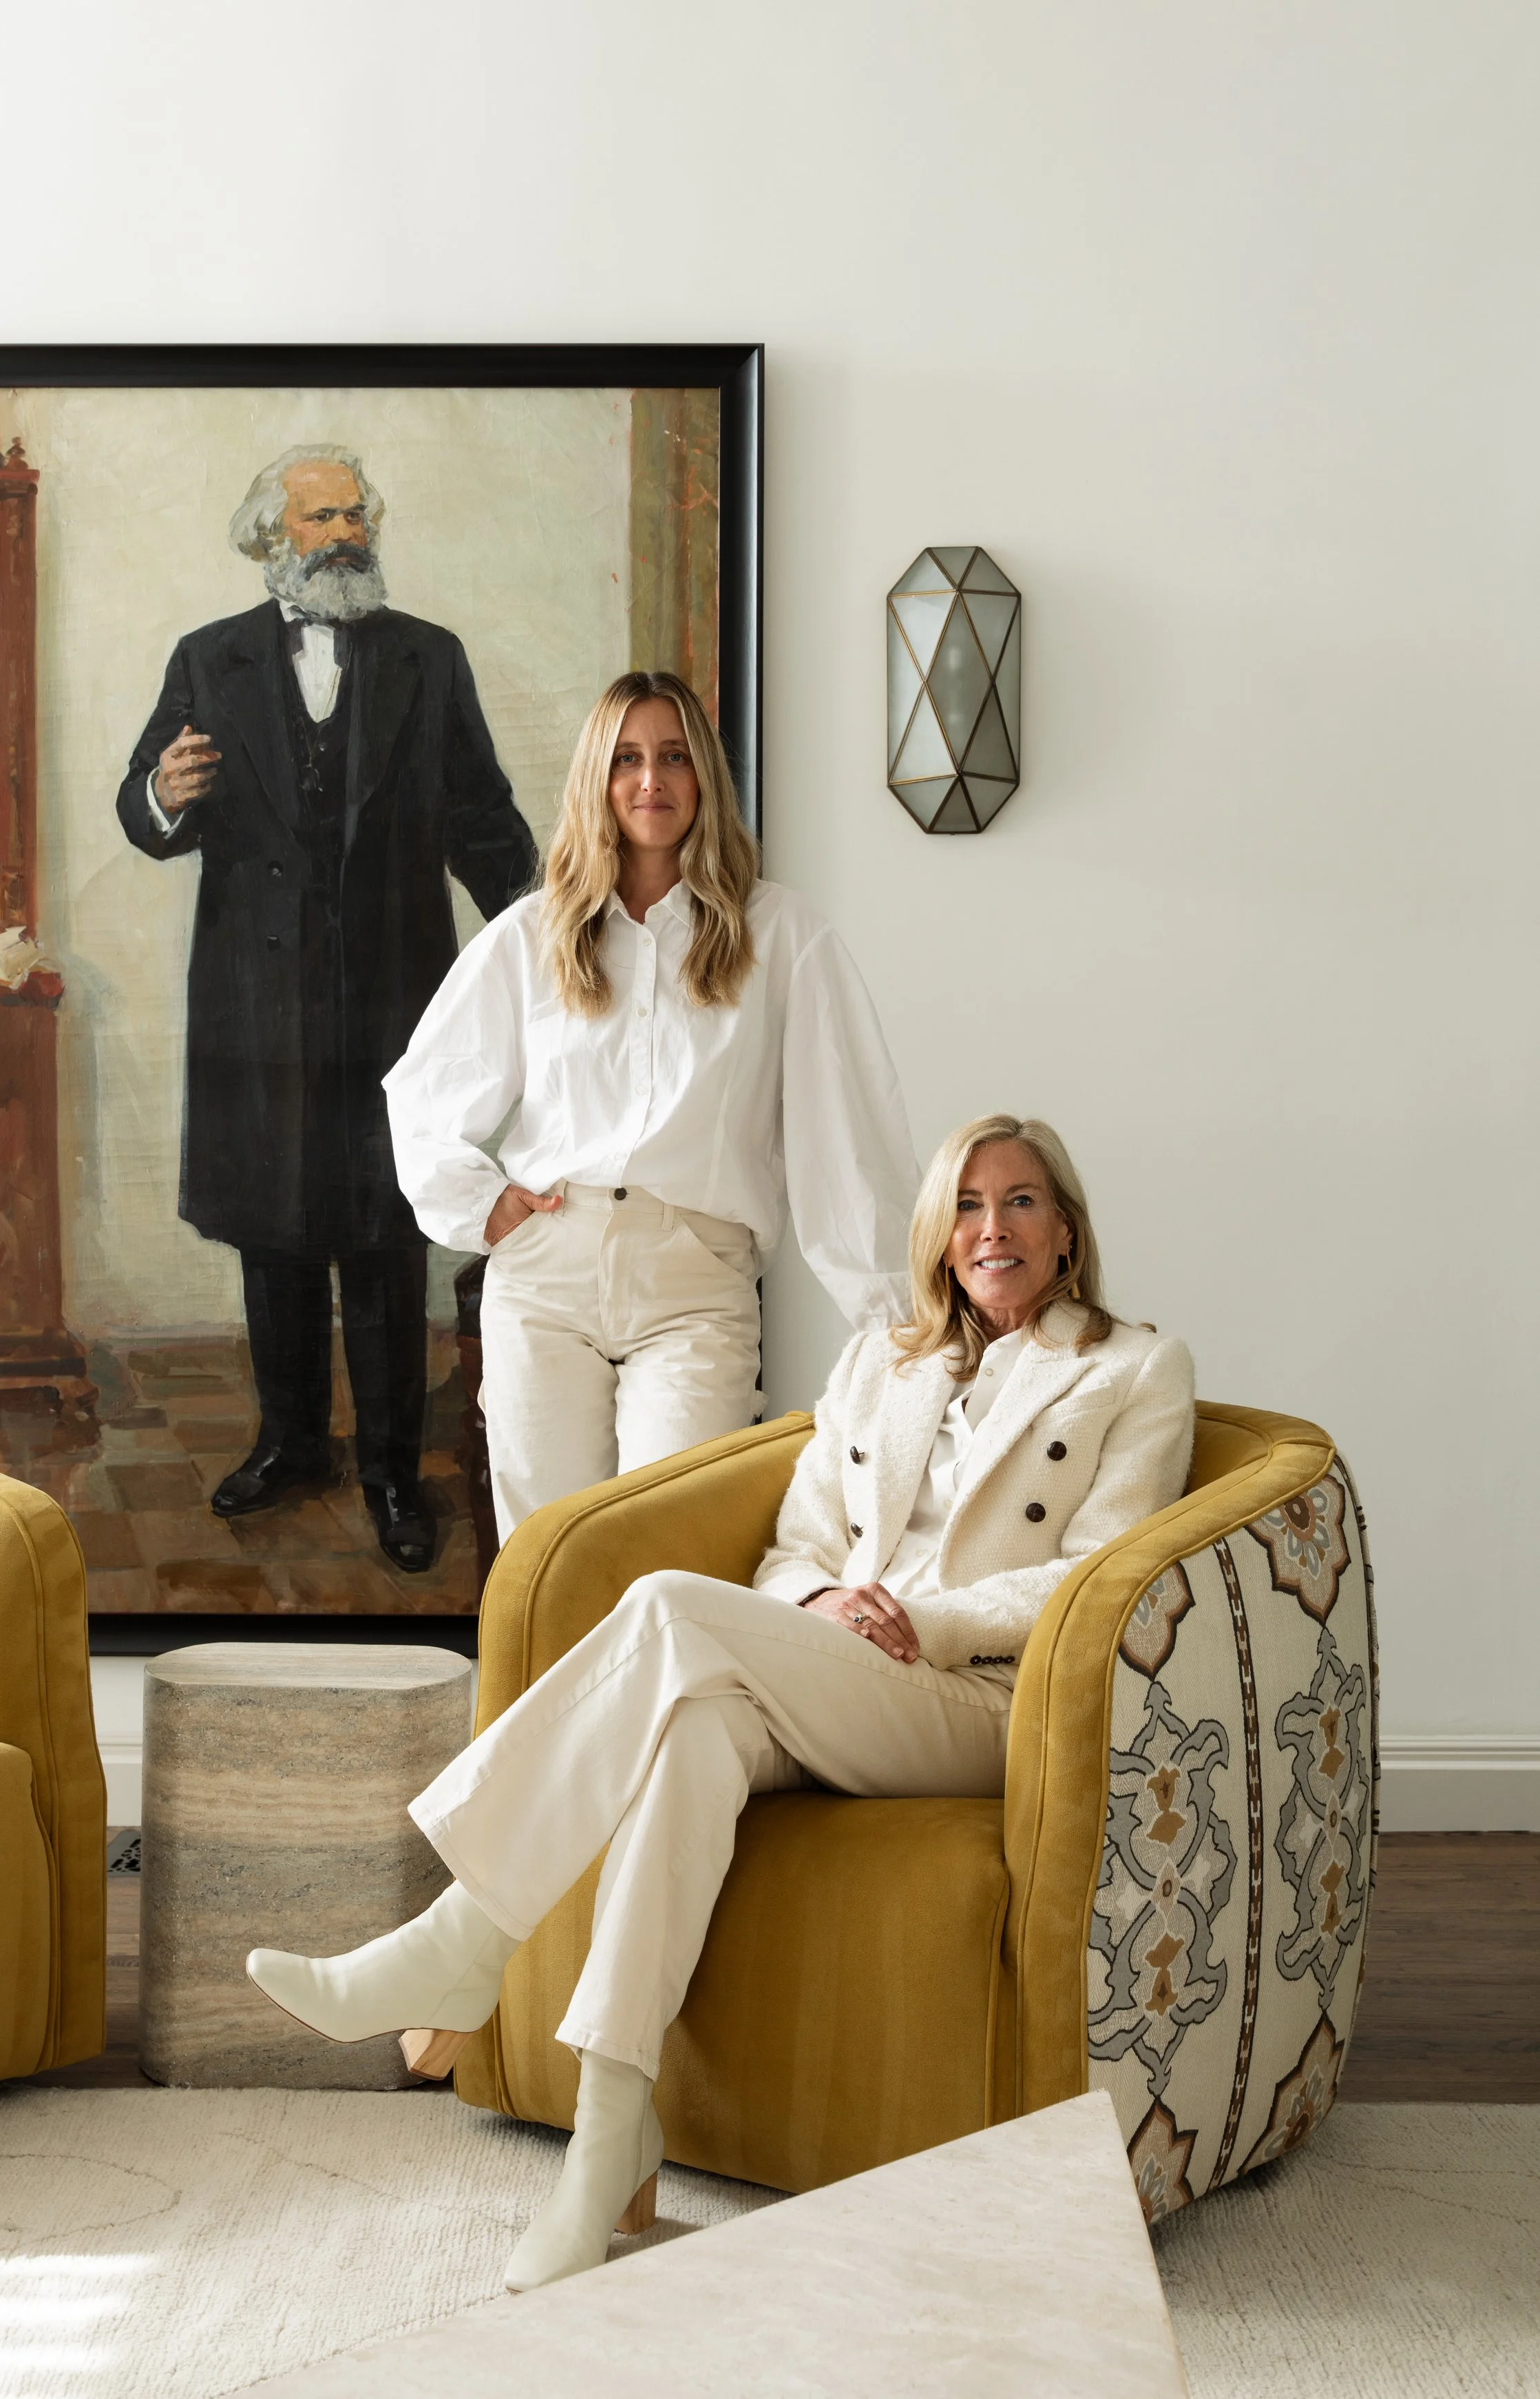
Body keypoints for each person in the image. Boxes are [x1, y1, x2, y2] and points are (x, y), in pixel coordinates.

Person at [246, 1114, 1195, 2290]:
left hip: (985, 1698)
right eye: (966, 1204)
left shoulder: (1133, 1368)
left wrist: (923, 1618)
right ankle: (610, 2138)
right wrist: (827, 1603)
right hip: (843, 1664)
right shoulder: (881, 1360)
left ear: (1065, 1232)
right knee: (697, 1728)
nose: (990, 1227)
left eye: (1020, 1201)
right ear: (938, 1235)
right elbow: (795, 1547)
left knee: (667, 1609)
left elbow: (1096, 1572)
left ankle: (459, 1940)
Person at [115, 445, 536, 1571]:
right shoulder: (208, 659)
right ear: (274, 536)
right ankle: (292, 1443)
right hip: (257, 1007)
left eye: (356, 514)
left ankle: (392, 1470)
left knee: (388, 1236)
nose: (346, 533)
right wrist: (163, 794)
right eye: (321, 517)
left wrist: (553, 936)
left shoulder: (429, 658)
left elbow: (484, 820)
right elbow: (141, 808)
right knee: (276, 1235)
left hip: (397, 999)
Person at [383, 669, 918, 1540]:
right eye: (626, 759)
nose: (650, 780)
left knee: (670, 1546)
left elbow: (845, 1137)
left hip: (695, 1282)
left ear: (703, 776)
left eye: (673, 757)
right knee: (547, 1550)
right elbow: (422, 1092)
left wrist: (904, 1324)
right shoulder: (533, 934)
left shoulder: (782, 934)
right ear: (597, 779)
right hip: (546, 1273)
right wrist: (479, 1205)